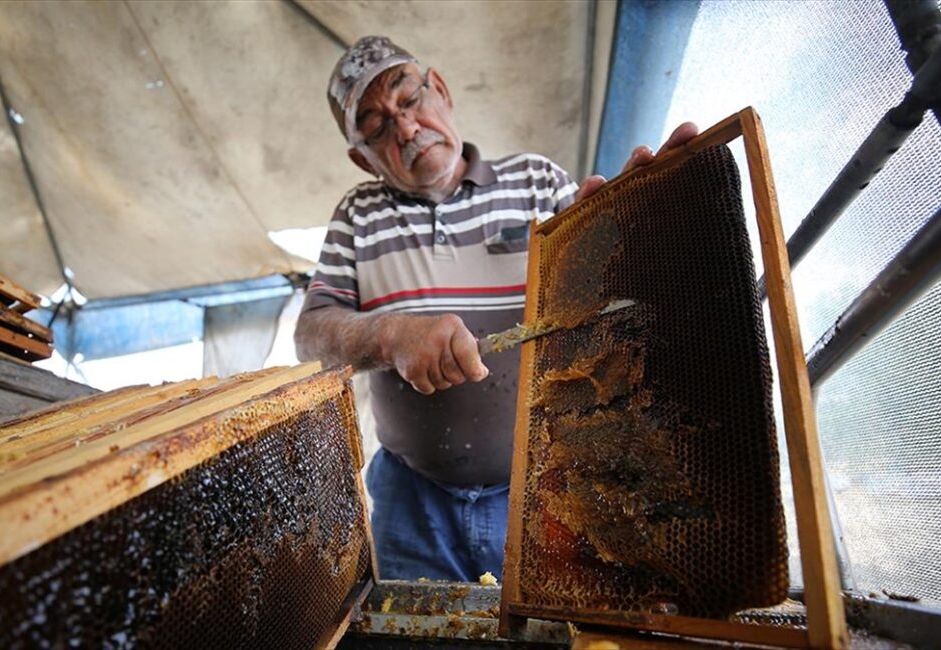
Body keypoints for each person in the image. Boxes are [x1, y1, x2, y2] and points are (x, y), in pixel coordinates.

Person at [294, 35, 696, 582]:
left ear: (440, 89)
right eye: (376, 126)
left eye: (407, 99)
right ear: (360, 157)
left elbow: (604, 297)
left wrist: (634, 224)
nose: (406, 129)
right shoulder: (357, 215)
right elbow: (312, 337)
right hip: (412, 498)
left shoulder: (537, 181)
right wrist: (391, 336)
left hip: (547, 484)